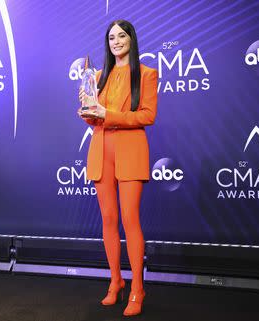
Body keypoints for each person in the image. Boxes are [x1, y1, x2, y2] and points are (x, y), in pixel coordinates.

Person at [77, 19, 158, 317]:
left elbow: (147, 116)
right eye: (111, 37)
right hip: (100, 151)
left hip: (130, 151)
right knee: (108, 220)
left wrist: (106, 112)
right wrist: (88, 112)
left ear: (131, 39)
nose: (116, 41)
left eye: (121, 36)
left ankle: (138, 287)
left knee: (129, 219)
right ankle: (115, 282)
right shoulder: (98, 76)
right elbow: (95, 119)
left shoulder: (147, 74)